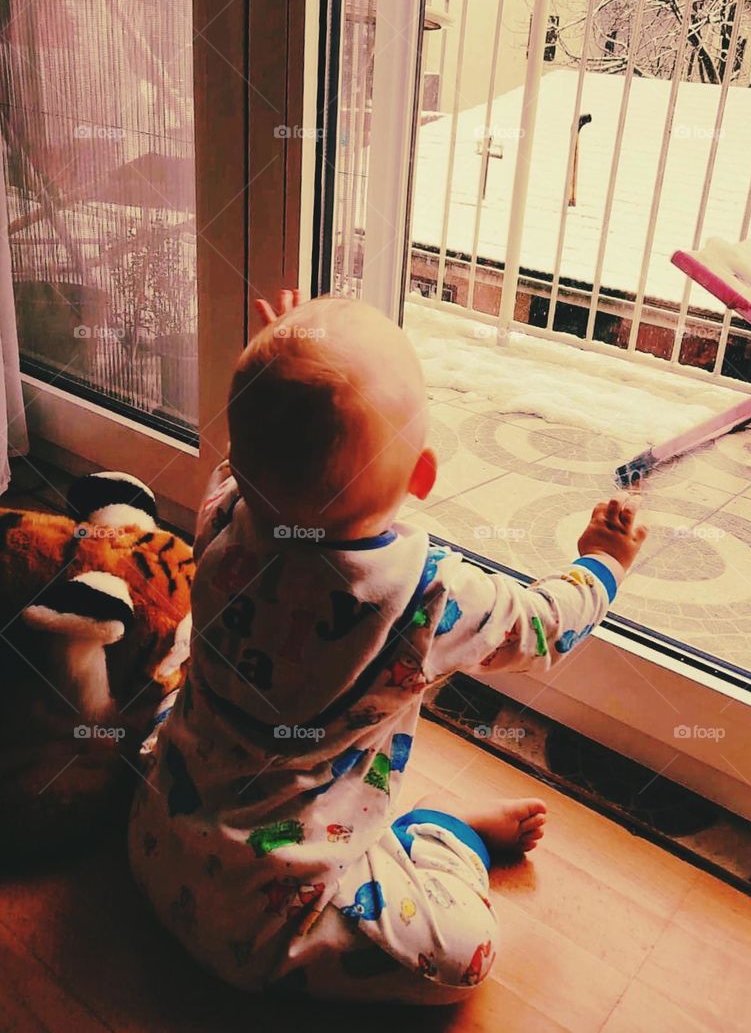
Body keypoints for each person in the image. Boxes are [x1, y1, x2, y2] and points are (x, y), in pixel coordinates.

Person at [129, 290, 647, 1003]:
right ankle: (437, 835)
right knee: (466, 957)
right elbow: (545, 624)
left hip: (159, 836)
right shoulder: (427, 598)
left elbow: (263, 448)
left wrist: (284, 359)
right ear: (423, 478)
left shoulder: (221, 508)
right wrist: (602, 561)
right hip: (263, 921)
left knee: (178, 671)